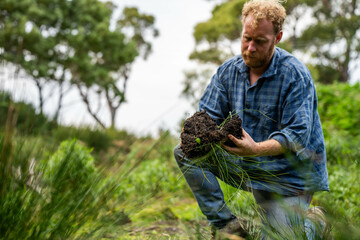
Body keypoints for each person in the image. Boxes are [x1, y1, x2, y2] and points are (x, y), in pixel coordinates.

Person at [174, 0, 329, 239]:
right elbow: (208, 116)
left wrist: (255, 149)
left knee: (278, 237)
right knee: (186, 151)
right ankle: (229, 227)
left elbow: (296, 136)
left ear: (277, 38)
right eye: (247, 38)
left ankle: (316, 223)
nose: (250, 48)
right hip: (248, 165)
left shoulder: (294, 75)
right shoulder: (228, 72)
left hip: (288, 175)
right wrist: (196, 131)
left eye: (260, 41)